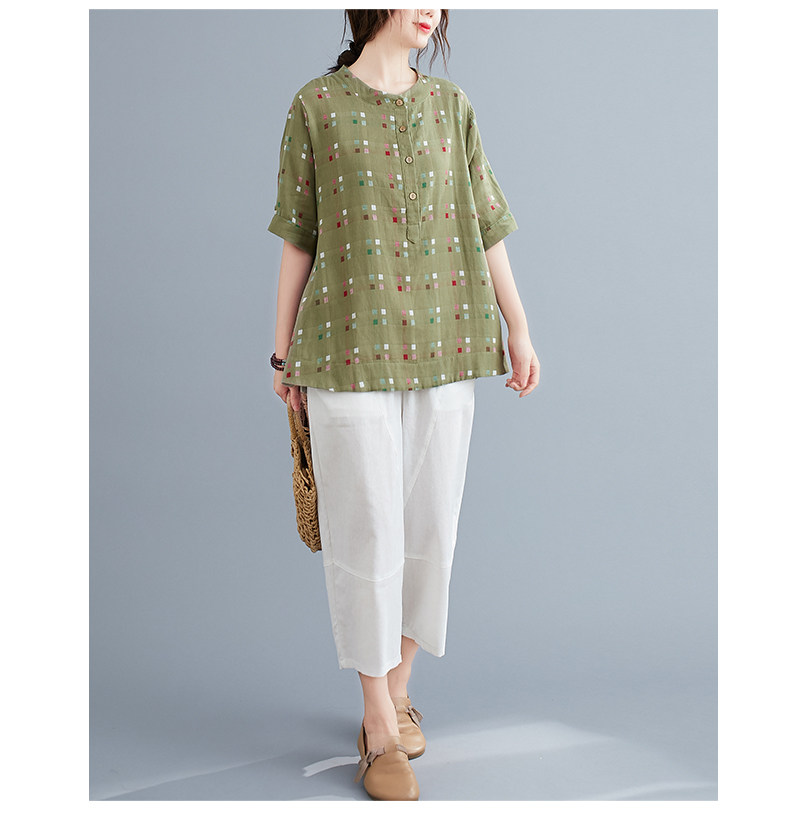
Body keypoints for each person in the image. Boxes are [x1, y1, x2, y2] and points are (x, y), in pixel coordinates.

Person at [267, 9, 539, 800]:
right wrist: (281, 349)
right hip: (346, 348)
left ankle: (400, 687)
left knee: (430, 533)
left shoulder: (452, 106)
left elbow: (486, 222)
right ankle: (378, 721)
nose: (433, 7)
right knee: (366, 532)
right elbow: (298, 233)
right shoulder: (316, 106)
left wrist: (519, 326)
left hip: (450, 344)